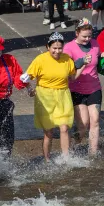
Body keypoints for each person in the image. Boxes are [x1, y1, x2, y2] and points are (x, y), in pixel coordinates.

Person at [21, 32, 90, 162]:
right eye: (54, 48)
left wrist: (84, 64)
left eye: (60, 48)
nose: (57, 51)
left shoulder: (66, 59)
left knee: (64, 128)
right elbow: (26, 78)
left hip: (63, 95)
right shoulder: (40, 60)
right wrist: (30, 89)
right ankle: (47, 159)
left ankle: (66, 158)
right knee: (49, 131)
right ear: (48, 47)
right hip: (45, 96)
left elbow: (72, 77)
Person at [63, 19, 102, 155]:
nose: (87, 39)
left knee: (95, 121)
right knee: (83, 124)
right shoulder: (69, 47)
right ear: (77, 33)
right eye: (84, 36)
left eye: (89, 36)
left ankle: (93, 153)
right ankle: (75, 144)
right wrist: (80, 62)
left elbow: (100, 61)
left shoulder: (95, 44)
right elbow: (66, 69)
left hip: (94, 88)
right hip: (76, 89)